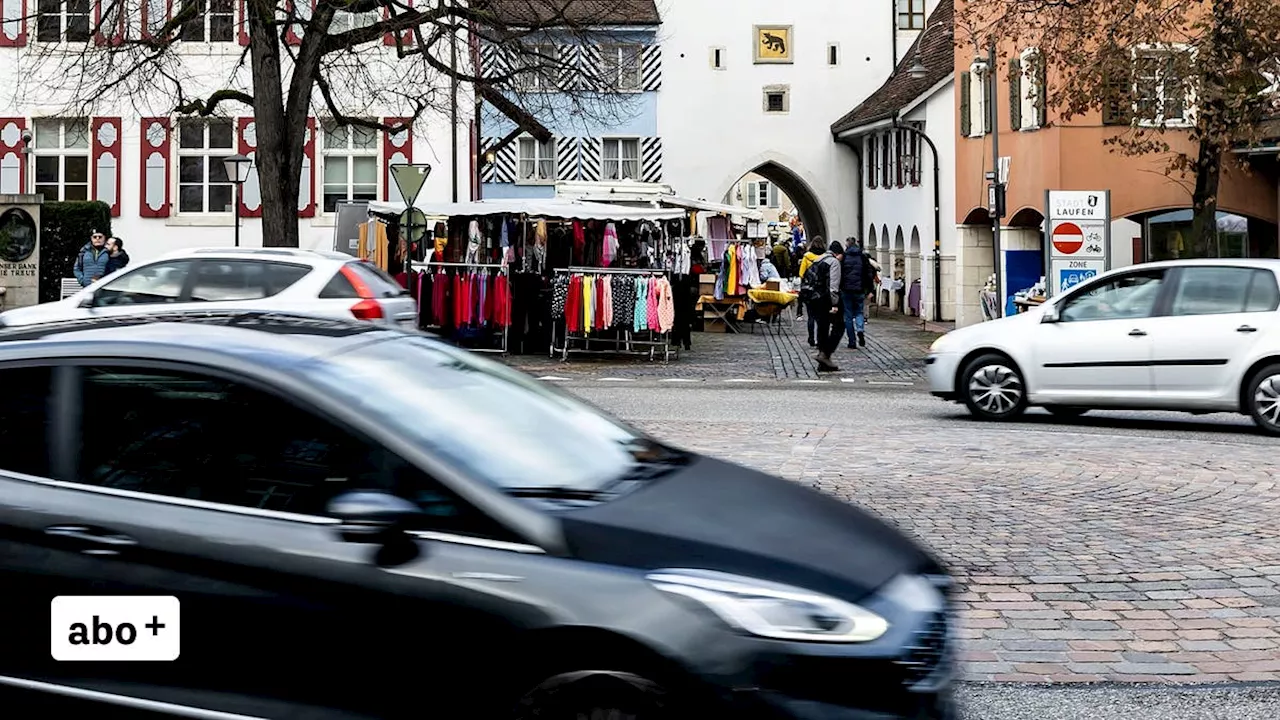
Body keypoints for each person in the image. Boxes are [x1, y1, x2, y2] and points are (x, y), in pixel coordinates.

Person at [801, 240, 844, 372]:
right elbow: (833, 285)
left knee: (822, 327)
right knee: (840, 326)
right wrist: (835, 303)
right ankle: (825, 354)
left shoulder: (818, 260)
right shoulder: (834, 262)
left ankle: (823, 361)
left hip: (814, 298)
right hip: (825, 299)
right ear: (838, 254)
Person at [839, 237, 876, 349]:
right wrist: (870, 289)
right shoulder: (863, 257)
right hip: (859, 289)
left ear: (847, 246)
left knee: (848, 316)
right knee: (859, 312)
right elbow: (868, 274)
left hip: (846, 290)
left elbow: (840, 274)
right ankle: (860, 329)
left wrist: (839, 288)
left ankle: (852, 341)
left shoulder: (844, 257)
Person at [796, 237, 825, 345]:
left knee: (811, 316)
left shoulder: (807, 257)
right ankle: (820, 338)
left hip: (809, 290)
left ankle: (811, 338)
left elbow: (801, 273)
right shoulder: (825, 257)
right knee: (820, 317)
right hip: (821, 291)